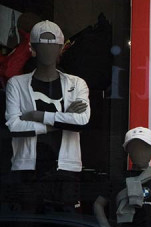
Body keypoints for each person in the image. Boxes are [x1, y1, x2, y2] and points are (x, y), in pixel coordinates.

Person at [5, 19, 90, 212]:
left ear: (61, 49)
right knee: (26, 225)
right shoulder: (16, 84)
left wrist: (37, 115)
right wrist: (62, 120)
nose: (48, 50)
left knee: (66, 226)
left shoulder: (76, 84)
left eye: (53, 45)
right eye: (42, 45)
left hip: (66, 168)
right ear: (33, 49)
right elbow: (13, 125)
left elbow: (81, 120)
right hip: (27, 169)